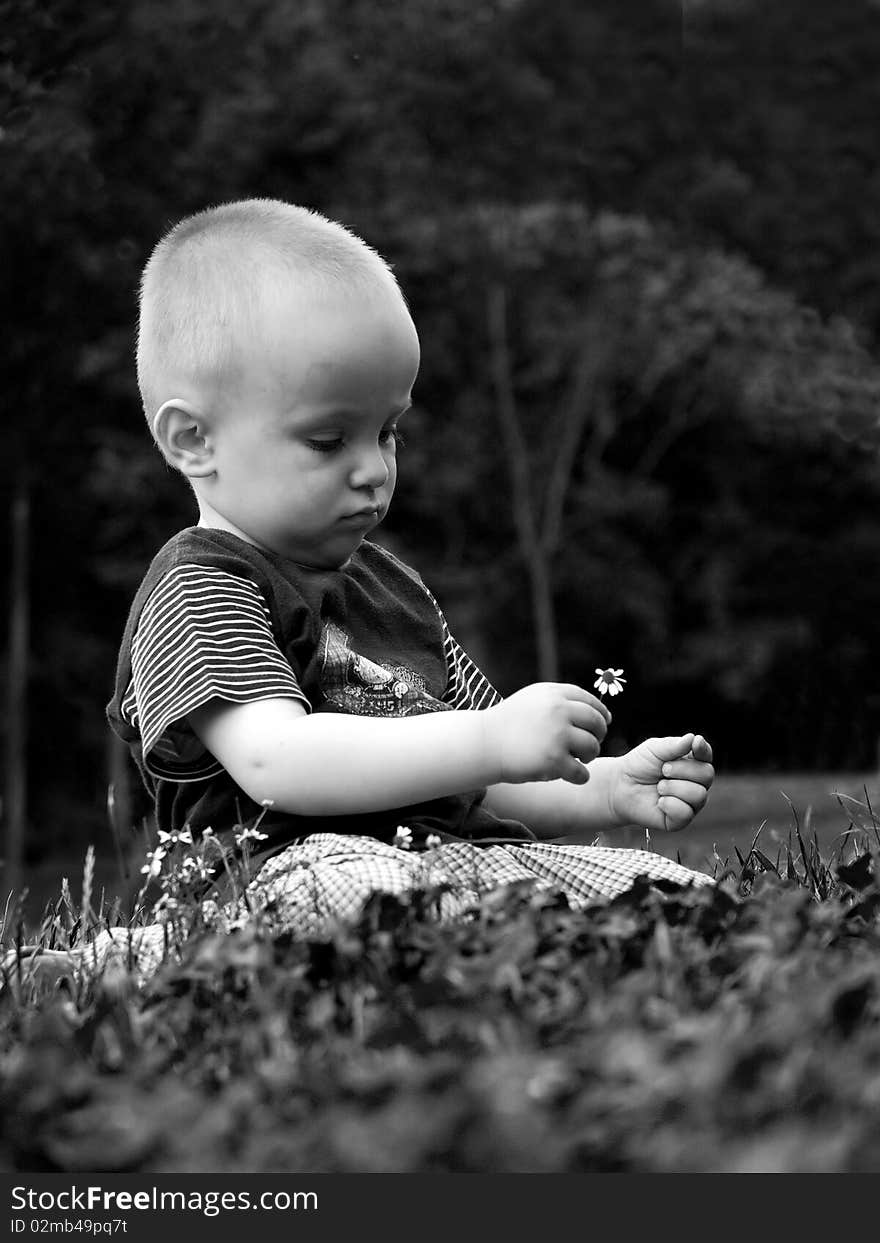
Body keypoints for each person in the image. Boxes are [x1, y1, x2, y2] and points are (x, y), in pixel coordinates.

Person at [9, 199, 717, 986]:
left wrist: (607, 788)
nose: (374, 468)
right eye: (328, 438)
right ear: (194, 441)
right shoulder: (203, 583)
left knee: (686, 905)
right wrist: (490, 737)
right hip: (284, 872)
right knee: (366, 901)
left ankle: (491, 946)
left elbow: (484, 767)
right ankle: (135, 963)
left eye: (388, 432)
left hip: (457, 860)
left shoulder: (393, 587)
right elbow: (279, 761)